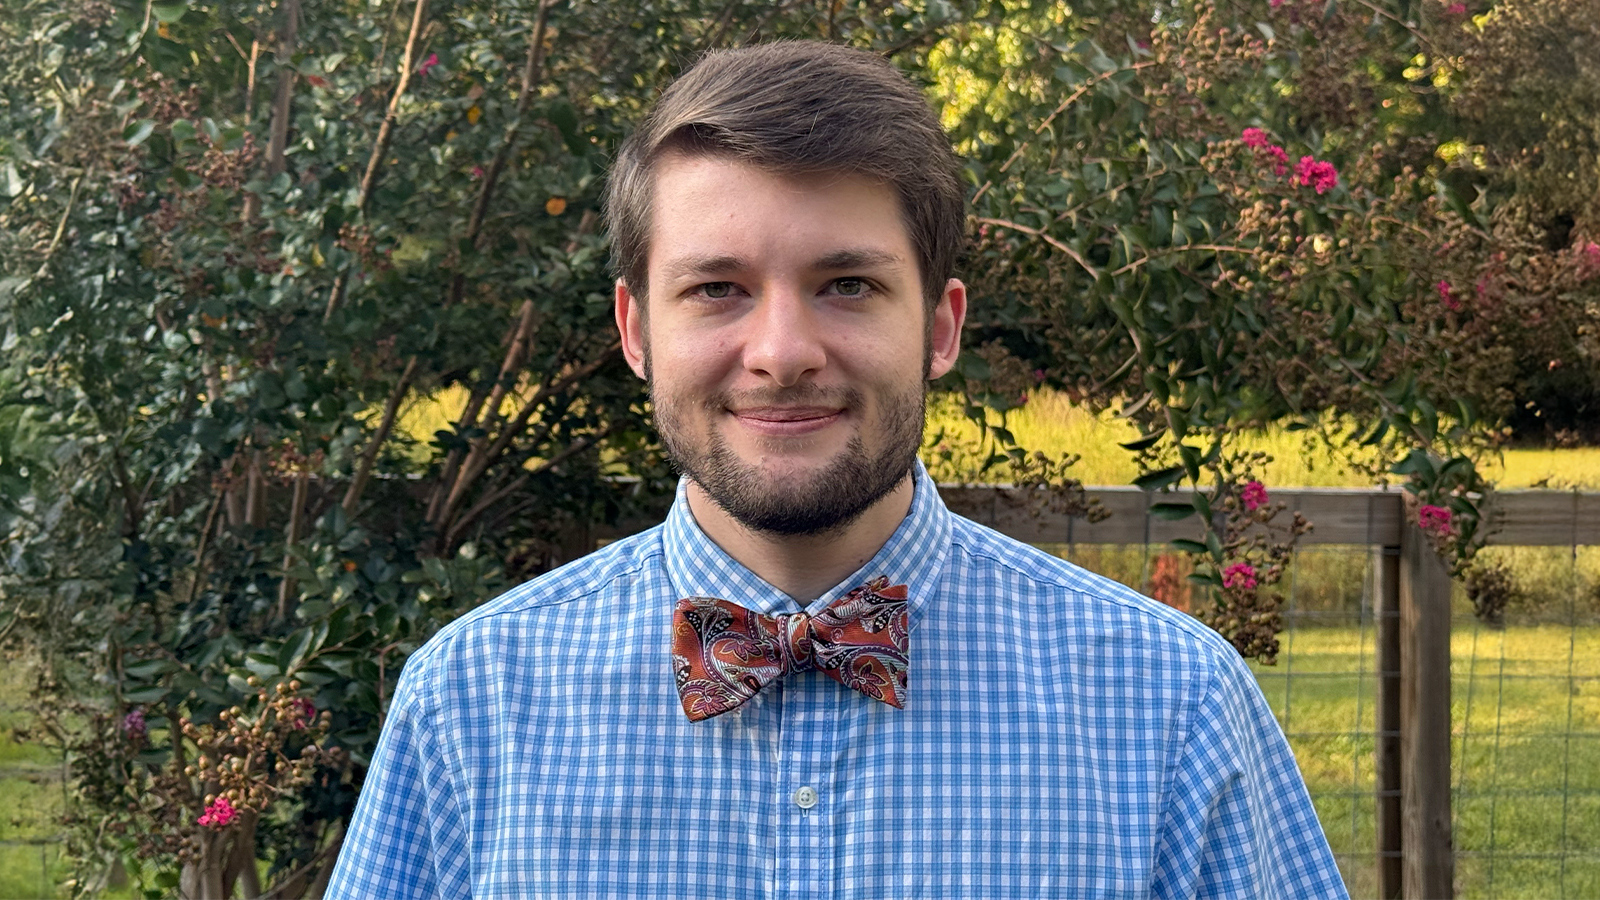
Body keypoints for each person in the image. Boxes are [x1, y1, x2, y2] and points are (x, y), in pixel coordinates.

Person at [327, 41, 1349, 899]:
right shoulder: (470, 705)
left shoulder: (1168, 704)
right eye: (717, 288)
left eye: (847, 284)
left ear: (940, 328)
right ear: (635, 332)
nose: (781, 351)